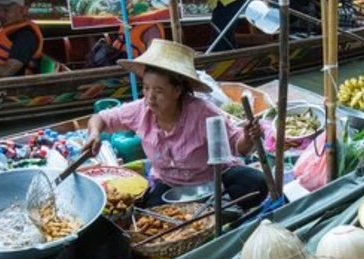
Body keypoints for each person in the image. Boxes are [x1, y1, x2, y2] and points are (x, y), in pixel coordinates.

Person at [83, 38, 268, 210]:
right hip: (171, 186)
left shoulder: (203, 112)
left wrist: (249, 136)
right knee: (148, 214)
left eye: (158, 91)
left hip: (213, 181)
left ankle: (215, 211)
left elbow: (237, 146)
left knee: (256, 184)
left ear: (177, 90)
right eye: (146, 88)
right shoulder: (140, 110)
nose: (149, 97)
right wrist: (94, 134)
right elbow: (100, 118)